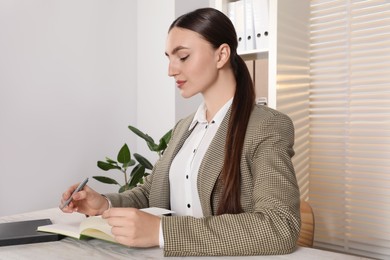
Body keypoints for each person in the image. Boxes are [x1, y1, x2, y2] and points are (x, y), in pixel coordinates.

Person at [60, 7, 301, 257]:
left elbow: (280, 226)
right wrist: (104, 204)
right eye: (169, 58)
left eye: (183, 57)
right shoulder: (185, 127)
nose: (171, 70)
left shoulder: (266, 126)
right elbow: (151, 194)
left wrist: (162, 232)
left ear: (221, 56)